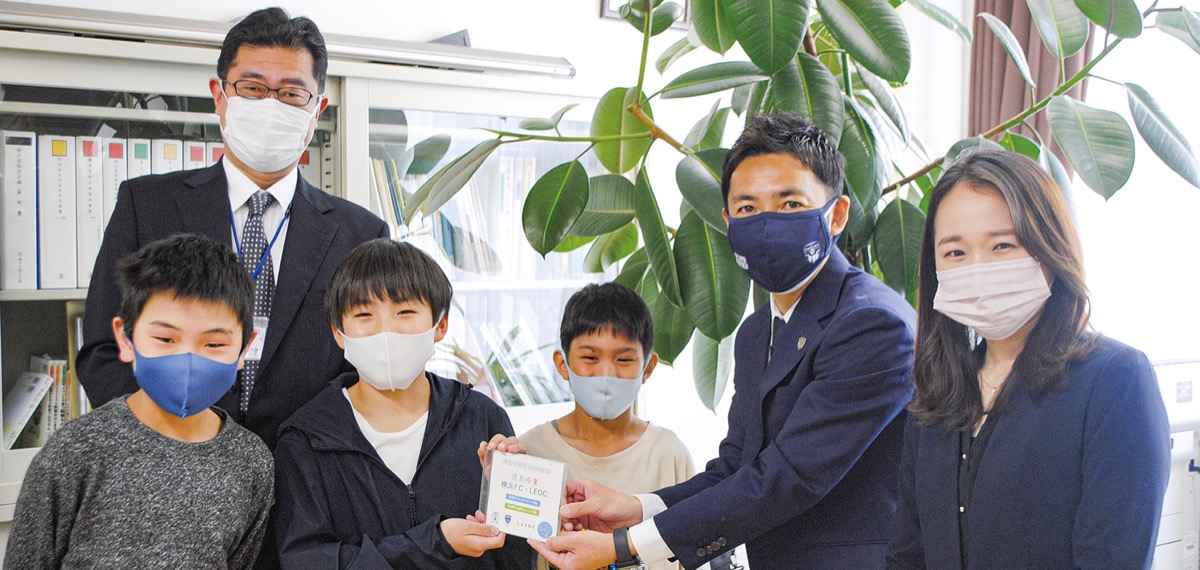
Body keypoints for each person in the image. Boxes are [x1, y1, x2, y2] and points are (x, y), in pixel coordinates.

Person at [532, 113, 917, 569]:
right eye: (748, 208)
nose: (767, 223)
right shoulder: (756, 331)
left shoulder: (872, 323)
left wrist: (625, 545)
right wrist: (637, 508)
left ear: (835, 215)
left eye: (790, 204)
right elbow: (738, 464)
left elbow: (787, 477)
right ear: (728, 221)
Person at [77, 7, 389, 450]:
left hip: (306, 475)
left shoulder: (361, 234)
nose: (271, 105)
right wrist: (167, 451)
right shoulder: (145, 205)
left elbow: (366, 373)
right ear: (220, 96)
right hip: (171, 466)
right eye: (253, 88)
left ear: (317, 109)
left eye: (292, 93)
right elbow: (103, 351)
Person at [885, 149, 1170, 568]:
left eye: (1002, 245)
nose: (978, 270)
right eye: (955, 253)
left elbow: (1113, 558)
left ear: (1049, 249)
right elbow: (908, 554)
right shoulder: (937, 393)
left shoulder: (1115, 380)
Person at [5, 234, 273, 568]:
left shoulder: (252, 462)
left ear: (245, 348)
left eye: (214, 344)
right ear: (126, 338)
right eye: (165, 338)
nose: (188, 360)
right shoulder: (74, 451)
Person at [272, 238, 533, 569]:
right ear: (339, 332)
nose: (386, 332)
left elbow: (518, 556)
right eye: (364, 314)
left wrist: (520, 500)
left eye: (405, 312)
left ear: (440, 325)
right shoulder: (306, 440)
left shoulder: (481, 418)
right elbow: (306, 561)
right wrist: (433, 543)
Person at [520, 282, 695, 570]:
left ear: (648, 368)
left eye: (624, 359)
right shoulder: (530, 452)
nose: (606, 374)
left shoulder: (669, 453)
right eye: (590, 357)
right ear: (562, 364)